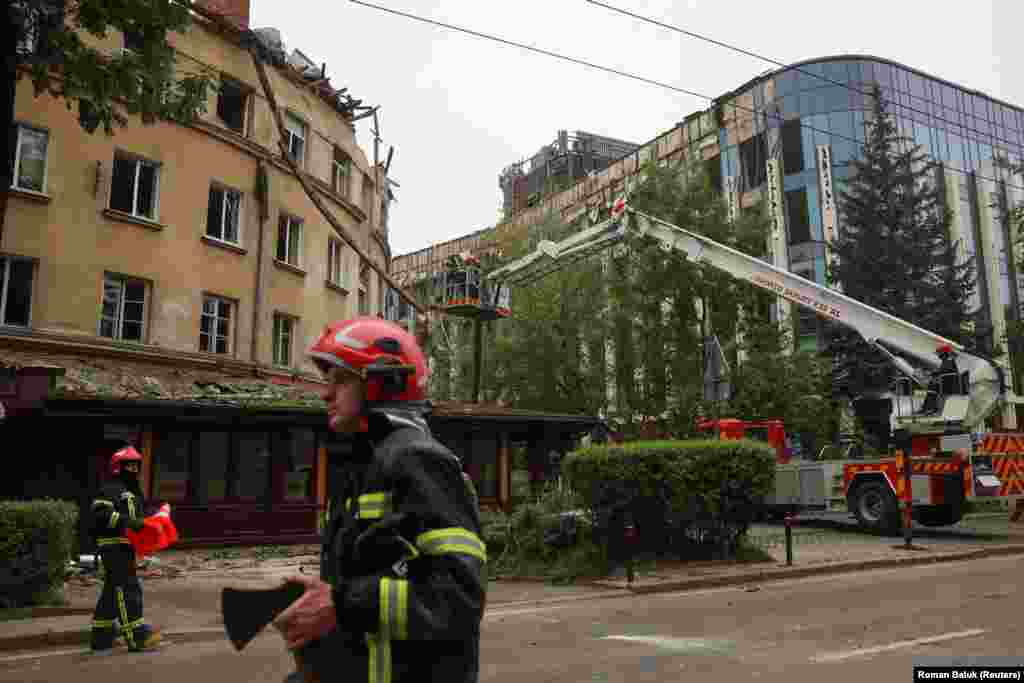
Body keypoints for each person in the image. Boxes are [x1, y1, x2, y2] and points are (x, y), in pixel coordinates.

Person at [273, 317, 486, 683]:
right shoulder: (367, 466)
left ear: (383, 383)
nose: (326, 393)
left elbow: (457, 599)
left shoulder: (418, 460)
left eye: (340, 380)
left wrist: (340, 603)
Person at [89, 445, 162, 653]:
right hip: (113, 546)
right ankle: (136, 636)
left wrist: (155, 520)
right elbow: (100, 514)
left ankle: (101, 637)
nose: (133, 469)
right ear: (117, 467)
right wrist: (129, 523)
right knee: (127, 588)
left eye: (135, 465)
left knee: (113, 589)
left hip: (126, 546)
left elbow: (140, 517)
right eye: (127, 465)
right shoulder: (110, 488)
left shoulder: (132, 492)